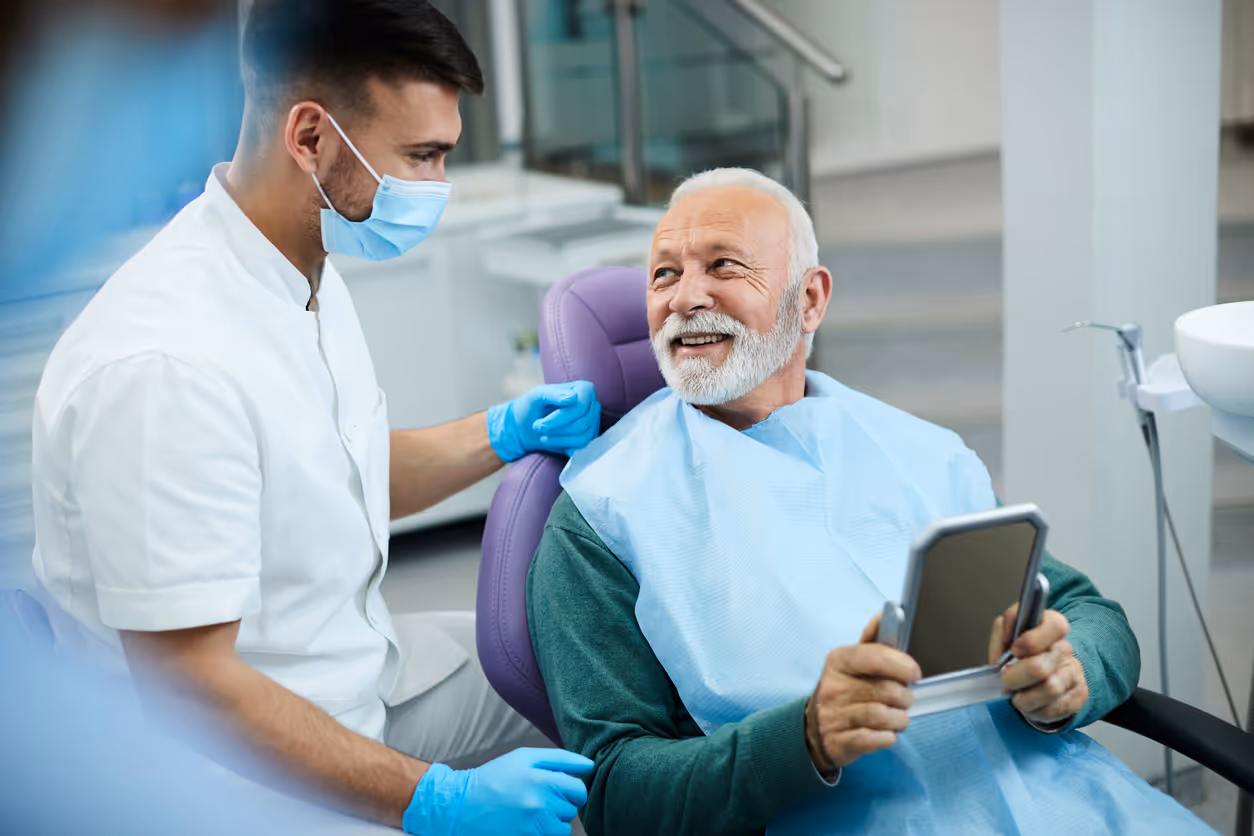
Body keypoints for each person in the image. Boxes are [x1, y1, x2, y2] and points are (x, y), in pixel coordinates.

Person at [29, 1, 598, 833]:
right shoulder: (165, 364)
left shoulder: (297, 266)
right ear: (310, 138)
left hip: (357, 680)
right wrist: (431, 801)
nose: (435, 189)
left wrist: (504, 432)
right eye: (422, 157)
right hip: (240, 782)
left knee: (597, 662)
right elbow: (193, 687)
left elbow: (340, 476)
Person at [527, 168, 1216, 835]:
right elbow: (616, 796)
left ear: (811, 300)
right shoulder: (600, 516)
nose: (684, 298)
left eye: (724, 266)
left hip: (1067, 800)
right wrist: (804, 739)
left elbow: (1090, 615)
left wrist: (1073, 673)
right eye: (664, 273)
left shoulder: (918, 451)